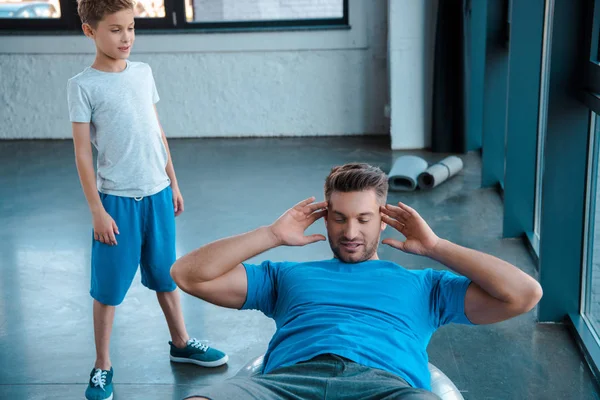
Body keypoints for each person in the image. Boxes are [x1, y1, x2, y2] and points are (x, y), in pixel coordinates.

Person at [171, 163, 543, 400]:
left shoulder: (426, 286)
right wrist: (271, 234)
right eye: (339, 218)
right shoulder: (287, 276)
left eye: (364, 219)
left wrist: (436, 246)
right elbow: (187, 274)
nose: (350, 232)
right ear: (325, 219)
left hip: (386, 388)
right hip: (286, 383)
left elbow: (524, 294)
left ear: (384, 219)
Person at [66, 1, 228, 399]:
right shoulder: (83, 85)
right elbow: (82, 154)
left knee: (165, 275)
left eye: (132, 28)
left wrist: (173, 181)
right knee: (107, 289)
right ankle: (102, 365)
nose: (127, 38)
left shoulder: (143, 73)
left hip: (157, 194)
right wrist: (97, 211)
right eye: (116, 30)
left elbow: (157, 131)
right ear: (90, 32)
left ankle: (181, 343)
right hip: (117, 203)